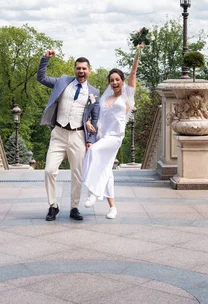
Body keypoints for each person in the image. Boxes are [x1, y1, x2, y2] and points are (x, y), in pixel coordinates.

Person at [37, 49, 100, 221]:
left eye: (84, 68)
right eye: (78, 68)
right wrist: (45, 59)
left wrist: (90, 140)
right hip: (58, 133)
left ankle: (74, 207)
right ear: (74, 70)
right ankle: (53, 206)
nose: (81, 71)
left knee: (77, 174)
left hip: (78, 135)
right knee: (49, 170)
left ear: (89, 71)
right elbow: (41, 78)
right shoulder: (62, 82)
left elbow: (94, 118)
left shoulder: (94, 92)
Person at [83, 43, 143, 219]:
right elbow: (95, 114)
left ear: (122, 81)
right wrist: (87, 122)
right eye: (112, 80)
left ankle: (93, 191)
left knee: (93, 152)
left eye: (118, 79)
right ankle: (112, 208)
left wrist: (137, 53)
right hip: (102, 136)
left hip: (115, 137)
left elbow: (133, 73)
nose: (115, 82)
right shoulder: (105, 97)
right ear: (109, 83)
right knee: (107, 170)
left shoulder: (126, 96)